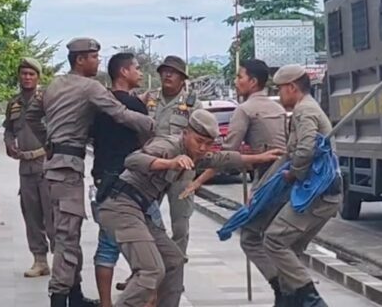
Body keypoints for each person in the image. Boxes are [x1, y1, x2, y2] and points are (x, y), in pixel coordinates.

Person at [97, 109, 283, 307]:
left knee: (174, 260)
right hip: (120, 207)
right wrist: (169, 163)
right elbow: (133, 160)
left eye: (208, 143)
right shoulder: (168, 145)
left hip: (140, 210)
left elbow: (224, 159)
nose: (203, 148)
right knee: (150, 270)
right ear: (186, 133)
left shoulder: (196, 153)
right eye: (198, 140)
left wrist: (260, 158)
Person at [24, 38, 154, 307]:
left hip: (56, 167)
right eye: (94, 57)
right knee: (67, 238)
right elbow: (119, 113)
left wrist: (48, 142)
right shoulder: (90, 87)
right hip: (68, 168)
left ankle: (75, 295)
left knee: (68, 231)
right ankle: (59, 296)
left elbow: (31, 116)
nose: (98, 61)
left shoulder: (54, 84)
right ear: (80, 59)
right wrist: (152, 124)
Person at [250, 64, 340, 307]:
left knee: (274, 240)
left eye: (280, 90)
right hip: (324, 194)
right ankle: (289, 301)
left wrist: (294, 173)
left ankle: (312, 302)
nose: (279, 96)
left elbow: (306, 149)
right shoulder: (308, 108)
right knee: (292, 250)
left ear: (291, 88)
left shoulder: (304, 111)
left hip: (315, 193)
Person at [89, 53, 148, 307]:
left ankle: (105, 303)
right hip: (132, 183)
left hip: (103, 181)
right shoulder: (135, 107)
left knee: (107, 246)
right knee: (151, 246)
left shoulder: (97, 106)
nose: (141, 72)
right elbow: (147, 142)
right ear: (123, 72)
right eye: (136, 68)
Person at [183, 58, 287, 193]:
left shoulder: (244, 109)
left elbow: (226, 155)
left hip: (266, 177)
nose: (235, 82)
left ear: (253, 82)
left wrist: (197, 182)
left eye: (239, 77)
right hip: (286, 174)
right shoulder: (278, 109)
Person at [4, 57, 54, 278]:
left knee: (52, 215)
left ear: (38, 77)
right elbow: (9, 129)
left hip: (46, 164)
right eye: (23, 73)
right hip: (25, 167)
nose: (27, 78)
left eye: (31, 74)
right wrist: (8, 143)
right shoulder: (13, 103)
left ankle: (62, 260)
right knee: (31, 215)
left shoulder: (47, 101)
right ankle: (40, 260)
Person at [146, 55, 201, 254]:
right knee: (147, 219)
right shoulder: (149, 99)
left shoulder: (192, 104)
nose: (168, 75)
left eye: (173, 72)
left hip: (181, 173)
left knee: (180, 224)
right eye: (164, 71)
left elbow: (200, 139)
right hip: (154, 168)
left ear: (182, 78)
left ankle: (176, 269)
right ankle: (148, 266)